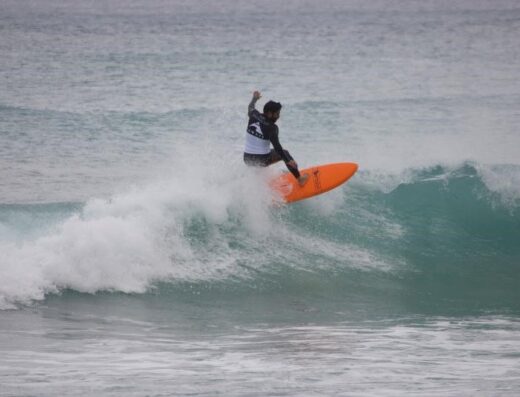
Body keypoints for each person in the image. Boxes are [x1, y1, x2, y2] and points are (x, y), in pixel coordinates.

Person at [243, 91, 309, 186]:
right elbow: (277, 147)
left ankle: (260, 182)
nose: (278, 116)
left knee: (265, 150)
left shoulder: (253, 114)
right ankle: (300, 179)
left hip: (247, 159)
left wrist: (254, 98)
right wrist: (288, 160)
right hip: (261, 160)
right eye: (277, 113)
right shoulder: (272, 128)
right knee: (285, 153)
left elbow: (250, 107)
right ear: (269, 113)